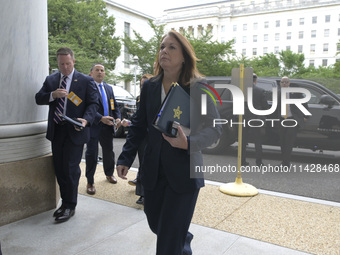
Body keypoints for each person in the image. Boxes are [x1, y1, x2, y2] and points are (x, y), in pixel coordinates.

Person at [116, 30, 221, 255]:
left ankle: (177, 239)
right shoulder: (150, 87)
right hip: (153, 171)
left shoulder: (199, 88)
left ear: (184, 56)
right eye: (162, 47)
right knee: (157, 224)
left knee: (168, 240)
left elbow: (215, 129)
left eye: (172, 47)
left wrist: (189, 143)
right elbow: (137, 125)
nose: (164, 51)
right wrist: (125, 157)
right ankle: (182, 240)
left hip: (184, 173)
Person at [35, 47, 98, 223]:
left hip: (76, 130)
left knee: (71, 169)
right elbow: (38, 98)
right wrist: (52, 95)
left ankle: (70, 205)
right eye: (61, 64)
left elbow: (93, 104)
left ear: (74, 61)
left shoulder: (85, 81)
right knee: (60, 169)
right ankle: (64, 202)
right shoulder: (51, 79)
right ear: (58, 63)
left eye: (68, 63)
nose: (64, 67)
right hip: (57, 131)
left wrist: (85, 120)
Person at [85, 64, 121, 195]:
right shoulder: (87, 87)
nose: (100, 72)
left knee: (108, 151)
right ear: (91, 73)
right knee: (91, 153)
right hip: (94, 126)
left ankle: (109, 174)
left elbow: (114, 106)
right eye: (97, 70)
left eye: (102, 70)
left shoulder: (108, 88)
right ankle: (90, 181)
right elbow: (86, 108)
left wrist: (117, 118)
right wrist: (100, 118)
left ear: (105, 74)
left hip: (108, 126)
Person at [128, 73, 153, 205]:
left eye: (145, 85)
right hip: (142, 137)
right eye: (141, 85)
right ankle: (142, 194)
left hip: (152, 136)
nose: (143, 88)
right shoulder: (139, 99)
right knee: (142, 165)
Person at [277, 76, 309, 167]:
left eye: (286, 82)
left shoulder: (296, 93)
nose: (284, 84)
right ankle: (284, 162)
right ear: (280, 83)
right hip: (282, 120)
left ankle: (286, 163)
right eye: (282, 82)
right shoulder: (278, 93)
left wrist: (306, 116)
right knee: (282, 142)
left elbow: (304, 104)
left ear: (289, 83)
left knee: (289, 142)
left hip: (292, 120)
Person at [241, 73, 270, 167]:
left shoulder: (242, 91)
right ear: (255, 80)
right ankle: (259, 162)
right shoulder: (260, 90)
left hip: (244, 117)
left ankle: (242, 161)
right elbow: (265, 106)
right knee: (257, 141)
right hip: (256, 118)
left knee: (243, 141)